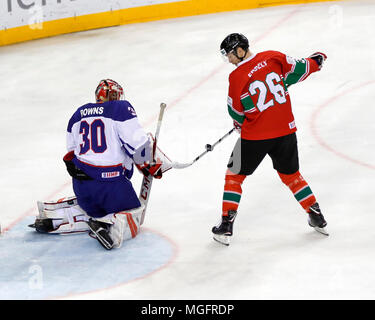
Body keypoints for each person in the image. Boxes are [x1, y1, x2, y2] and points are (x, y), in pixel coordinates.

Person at [212, 33, 328, 246]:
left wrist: (241, 122)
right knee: (292, 176)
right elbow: (300, 68)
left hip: (255, 136)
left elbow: (235, 111)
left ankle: (227, 224)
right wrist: (316, 61)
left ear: (240, 50)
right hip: (286, 132)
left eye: (230, 55)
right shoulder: (272, 57)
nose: (228, 60)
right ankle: (316, 216)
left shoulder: (236, 77)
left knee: (234, 176)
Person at [30, 79, 167, 250]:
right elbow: (138, 146)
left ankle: (59, 215)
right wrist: (150, 163)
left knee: (95, 206)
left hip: (81, 187)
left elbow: (72, 151)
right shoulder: (120, 108)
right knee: (134, 218)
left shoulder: (78, 114)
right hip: (111, 187)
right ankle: (108, 227)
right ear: (113, 95)